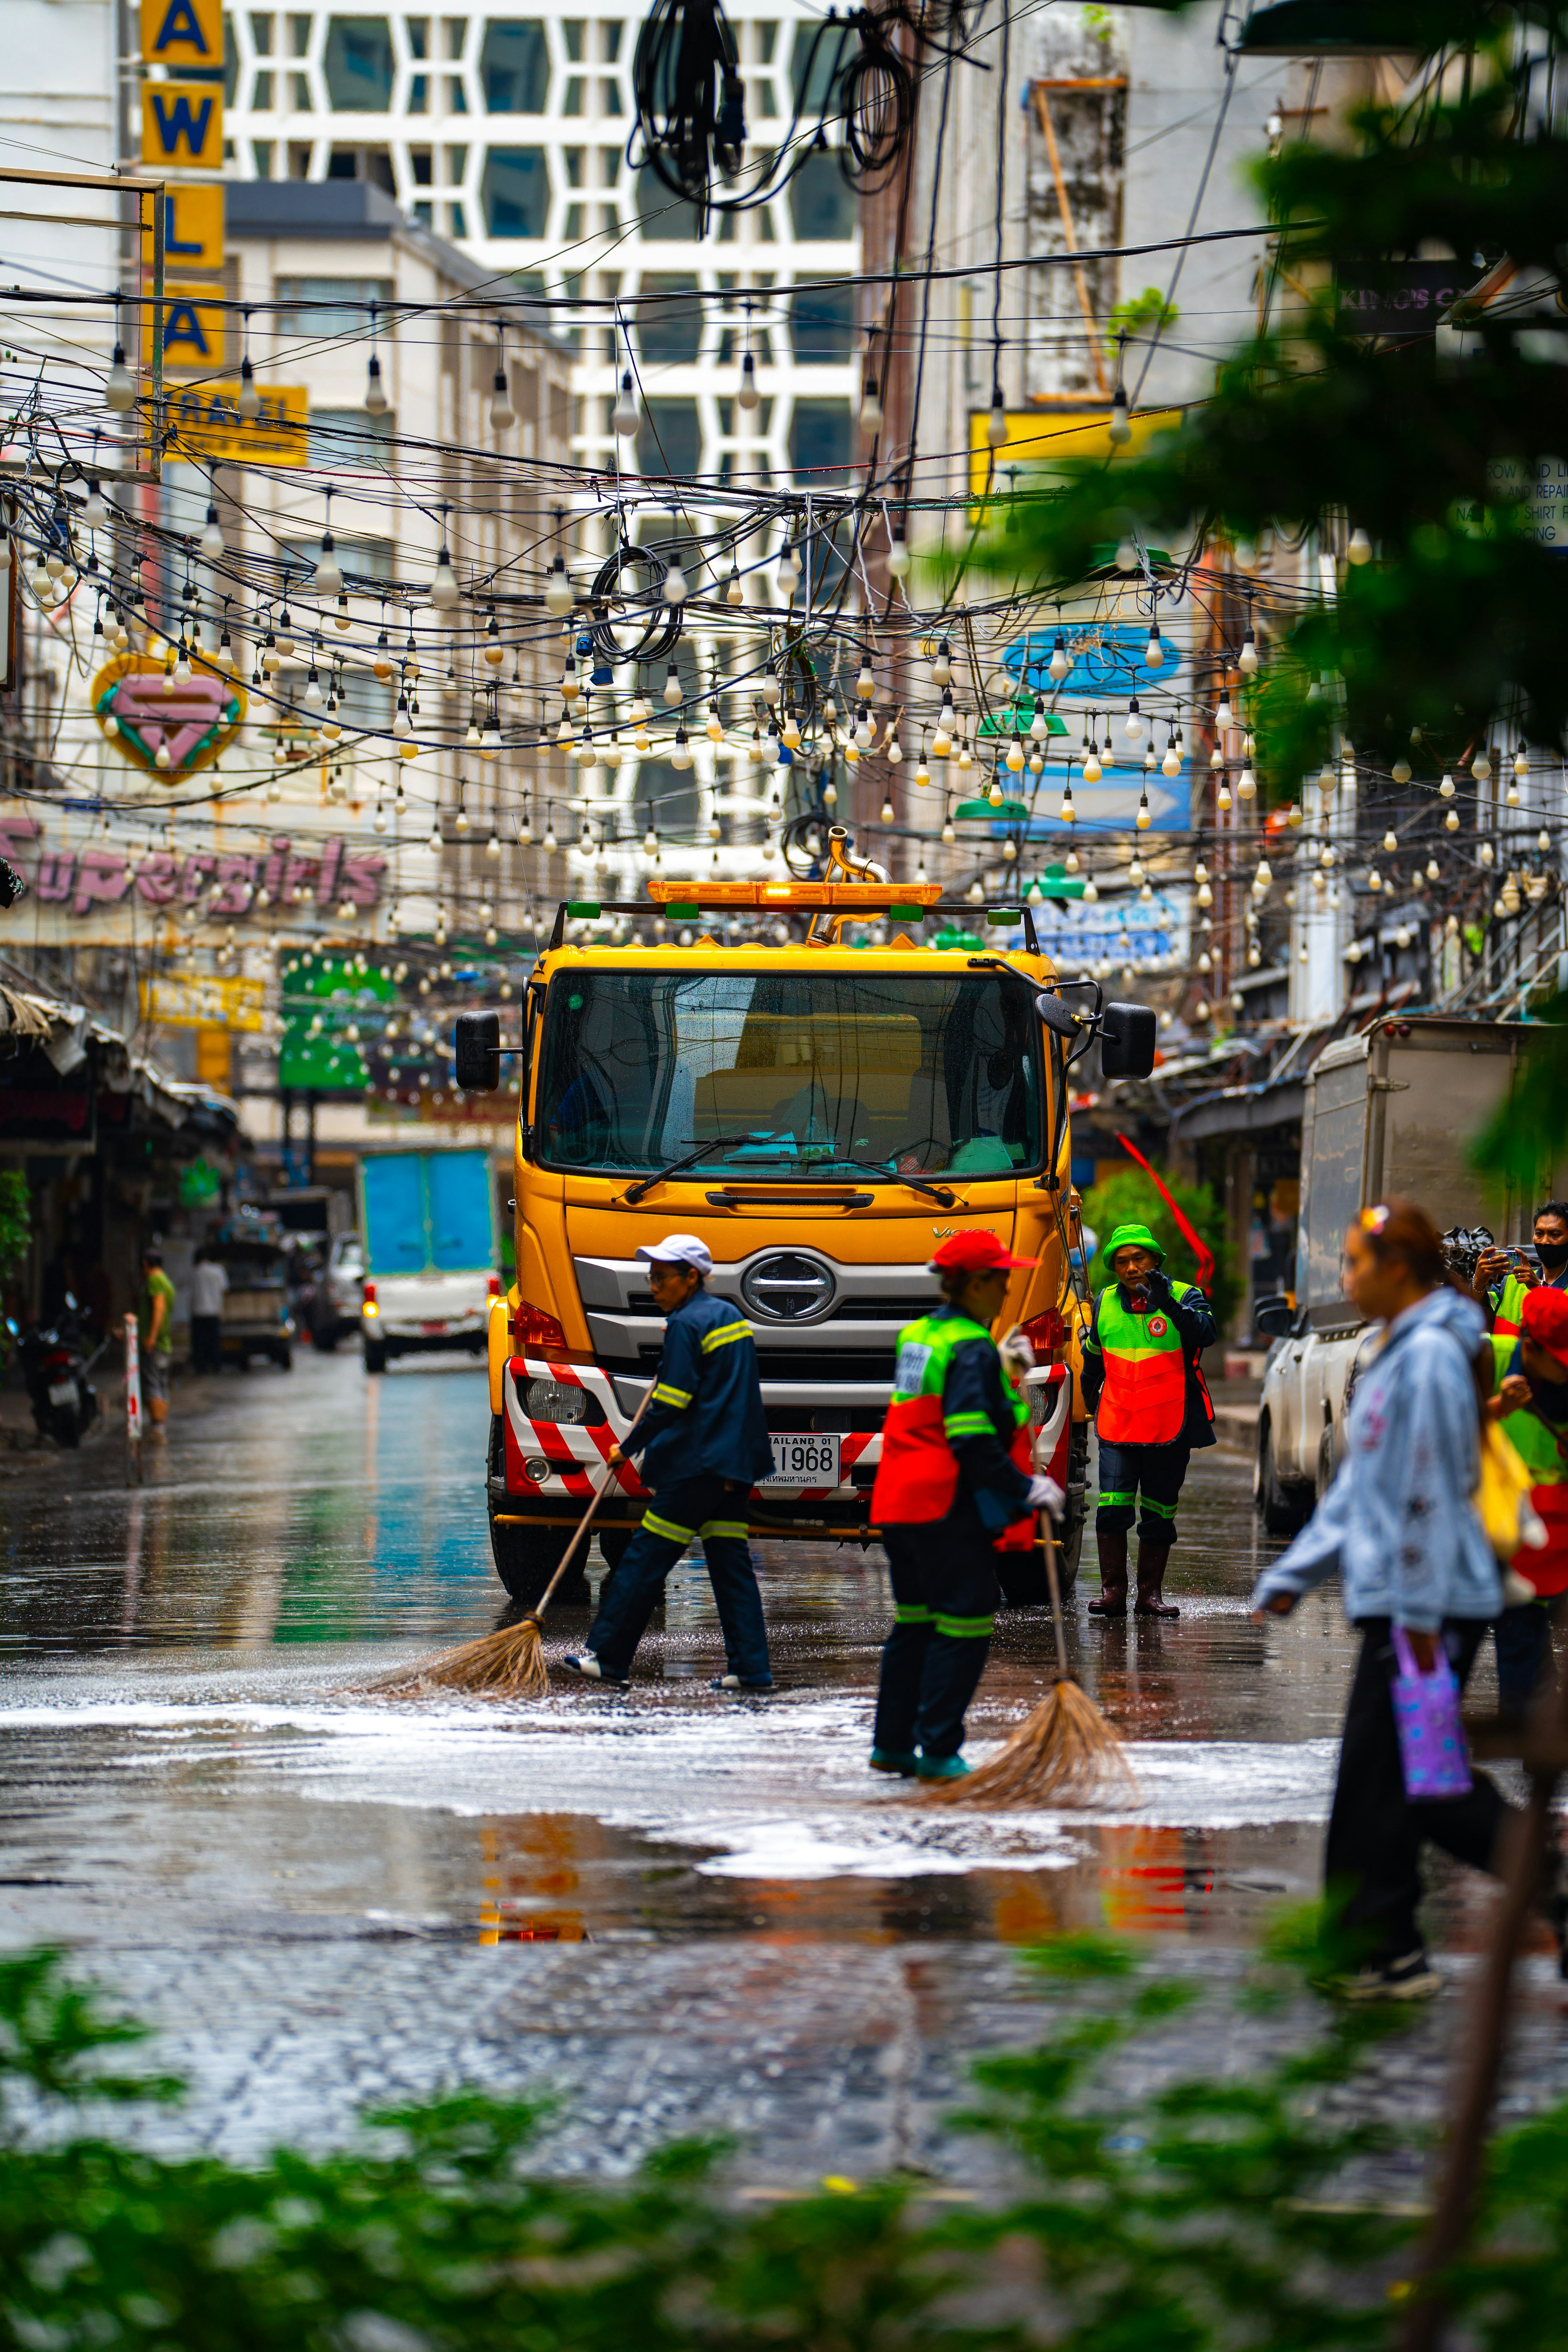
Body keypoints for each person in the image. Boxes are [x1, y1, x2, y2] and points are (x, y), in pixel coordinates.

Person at [1251, 1198, 1558, 2000]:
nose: (1346, 1280)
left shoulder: (1425, 1358)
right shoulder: (1400, 1351)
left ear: (1399, 1270)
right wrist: (1293, 1574)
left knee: (1413, 1780)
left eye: (1356, 1264)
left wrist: (1418, 1622)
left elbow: (1426, 1490)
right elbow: (1361, 1487)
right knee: (1406, 1777)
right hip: (1412, 1606)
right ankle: (1379, 1945)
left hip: (1425, 1612)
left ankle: (1389, 1944)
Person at [868, 1230, 1062, 1781]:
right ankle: (938, 1750)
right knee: (966, 1620)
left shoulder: (920, 1336)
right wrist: (1026, 1488)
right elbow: (972, 1436)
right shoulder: (971, 1347)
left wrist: (1007, 1372)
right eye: (1001, 1280)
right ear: (975, 1283)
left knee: (915, 1624)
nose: (1006, 1290)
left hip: (899, 1502)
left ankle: (893, 1745)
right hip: (945, 1506)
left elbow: (937, 1408)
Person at [564, 1234, 775, 1690]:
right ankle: (752, 1669)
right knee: (731, 1570)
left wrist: (630, 1445)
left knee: (642, 1562)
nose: (654, 1287)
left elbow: (671, 1401)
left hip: (695, 1468)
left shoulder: (686, 1324)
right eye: (651, 1278)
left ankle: (607, 1657)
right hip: (733, 1467)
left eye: (662, 1278)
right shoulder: (729, 1318)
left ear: (692, 1277)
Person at [1080, 1222, 1217, 1619]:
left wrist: (1168, 1305)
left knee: (1159, 1513)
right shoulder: (1104, 1302)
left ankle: (1149, 1597)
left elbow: (1206, 1333)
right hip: (1118, 1425)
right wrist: (1092, 1404)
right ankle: (1113, 1594)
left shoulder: (1186, 1296)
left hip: (1169, 1424)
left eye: (1139, 1258)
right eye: (1121, 1262)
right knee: (1112, 1509)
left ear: (1155, 1260)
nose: (1131, 1267)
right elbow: (1094, 1359)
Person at [1485, 1281, 1568, 1719]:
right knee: (1437, 1669)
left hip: (1548, 1549)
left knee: (1528, 1658)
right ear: (1531, 1349)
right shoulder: (1486, 1358)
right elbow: (1436, 1424)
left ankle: (1540, 1761)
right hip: (1488, 1542)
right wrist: (1499, 1407)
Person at [1471, 1198, 1568, 1336]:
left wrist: (1541, 1290)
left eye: (1555, 1235)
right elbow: (1481, 1319)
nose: (1545, 1241)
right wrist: (1478, 1284)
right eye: (1539, 1234)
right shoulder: (1512, 1282)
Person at [138, 1245, 176, 1432]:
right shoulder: (166, 1281)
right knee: (161, 1384)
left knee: (152, 1384)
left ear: (145, 1265)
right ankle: (160, 1425)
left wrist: (151, 1337)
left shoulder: (154, 1280)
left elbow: (159, 1309)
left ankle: (157, 1426)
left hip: (154, 1344)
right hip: (164, 1342)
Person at [189, 1246, 228, 1376]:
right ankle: (217, 1365)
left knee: (199, 1342)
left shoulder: (194, 1272)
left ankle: (201, 1367)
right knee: (214, 1341)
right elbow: (225, 1290)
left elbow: (188, 1290)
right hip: (214, 1312)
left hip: (198, 1312)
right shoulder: (218, 1271)